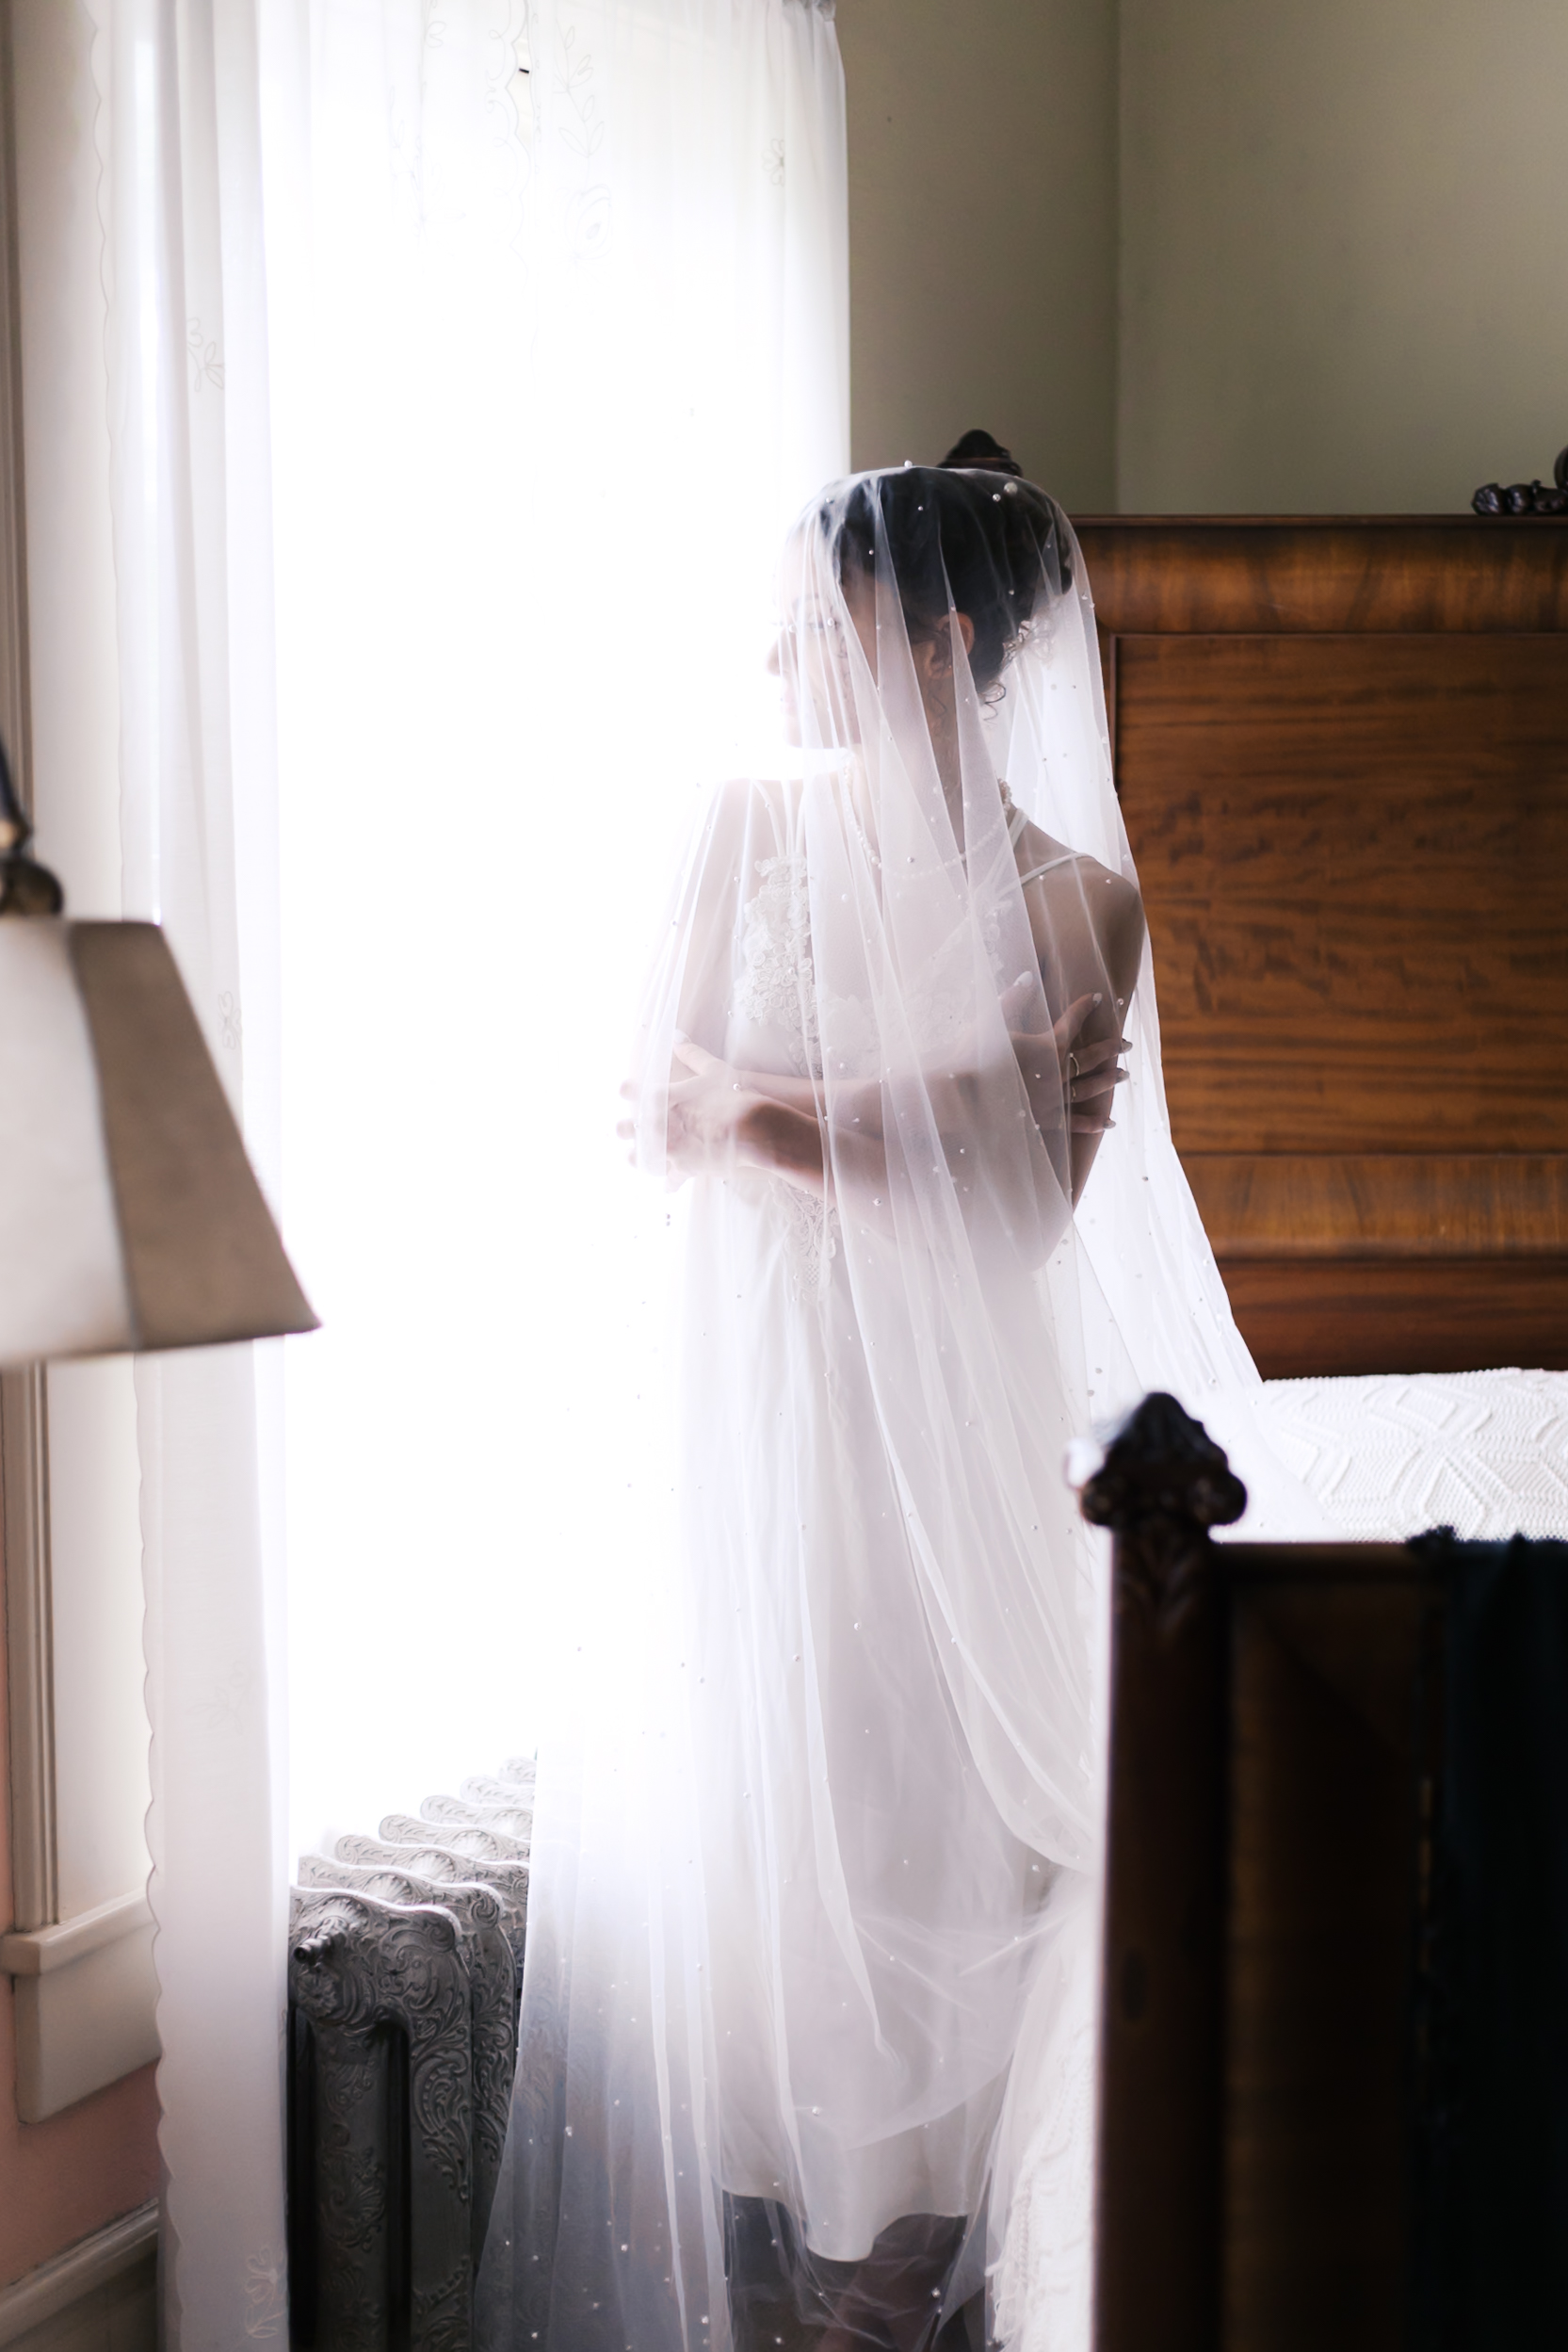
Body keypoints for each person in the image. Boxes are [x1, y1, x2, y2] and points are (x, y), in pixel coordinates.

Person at [478, 439, 1298, 2352]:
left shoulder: (1083, 901)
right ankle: (804, 2277)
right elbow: (650, 1110)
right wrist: (922, 1111)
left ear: (932, 642)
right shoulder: (736, 834)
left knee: (930, 1816)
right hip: (754, 1404)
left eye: (808, 632)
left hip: (945, 1413)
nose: (777, 675)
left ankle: (900, 2272)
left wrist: (786, 1112)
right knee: (779, 1837)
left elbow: (1006, 1215)